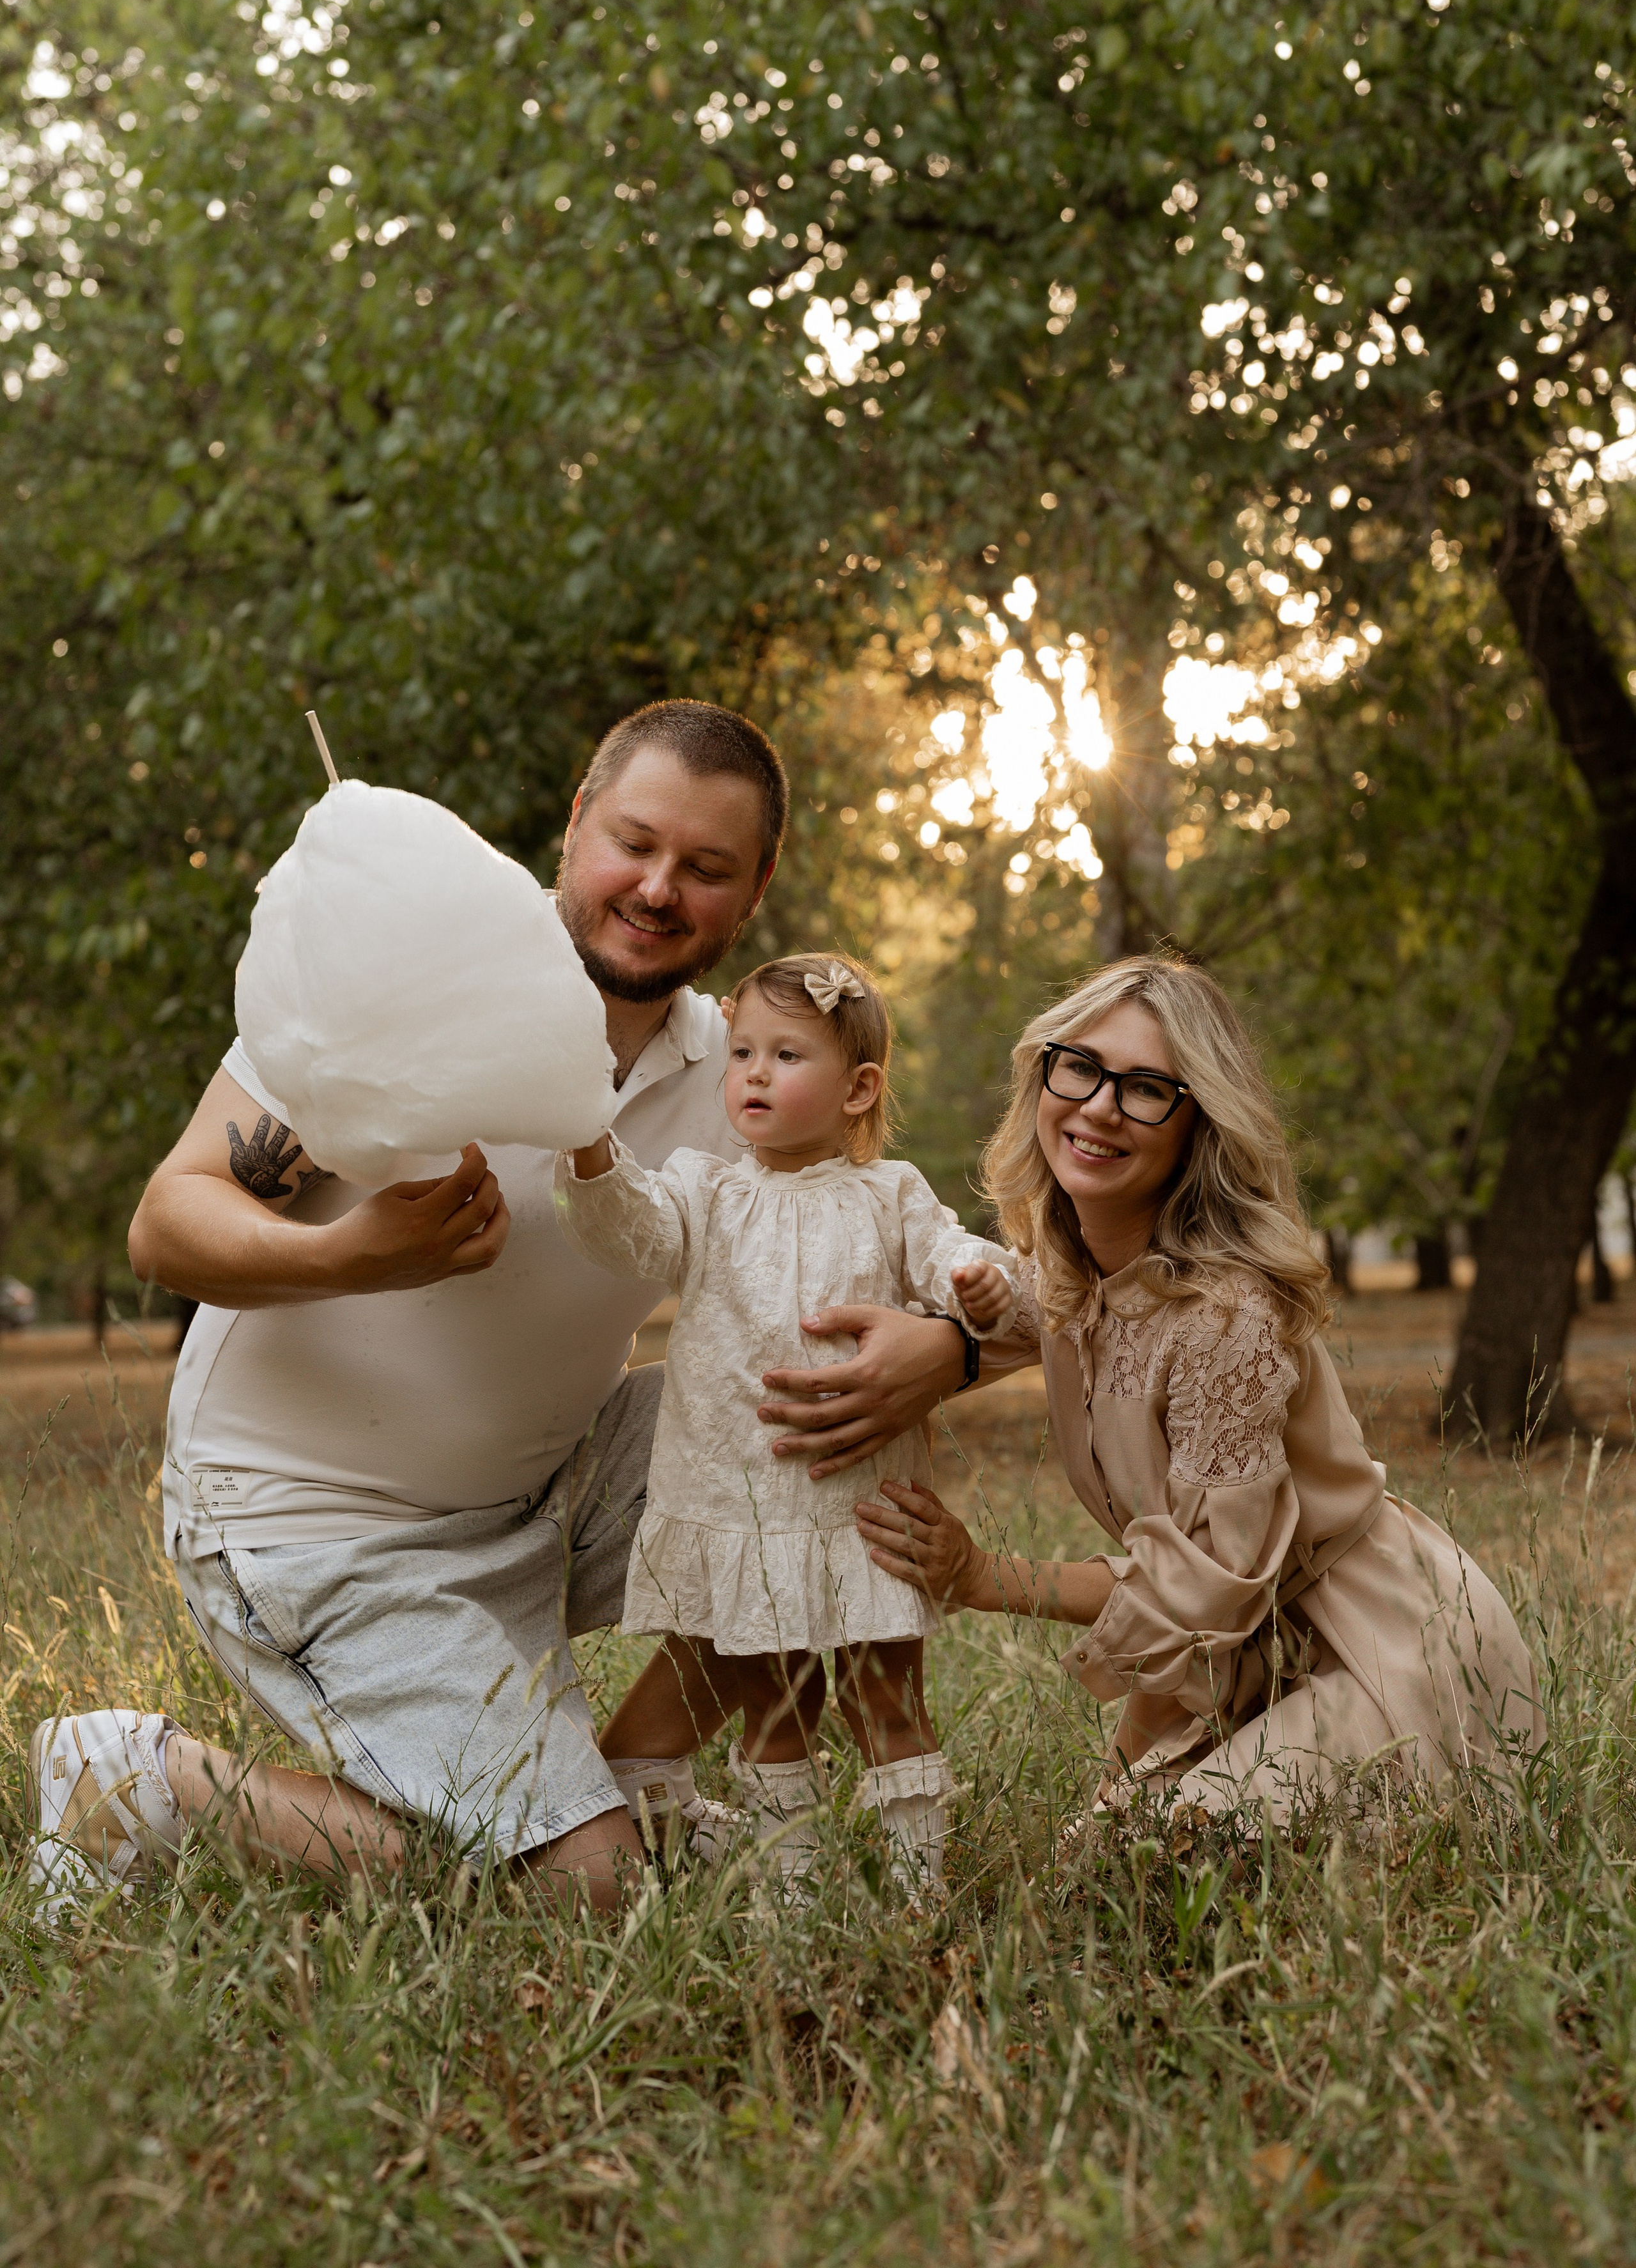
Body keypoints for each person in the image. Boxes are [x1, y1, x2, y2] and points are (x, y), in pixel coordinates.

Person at [29, 704, 982, 1918]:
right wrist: (356, 1257)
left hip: (550, 1498)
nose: (656, 888)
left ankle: (641, 1769)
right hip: (315, 1525)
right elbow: (167, 1221)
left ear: (754, 891)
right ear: (576, 826)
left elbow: (930, 1273)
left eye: (705, 868)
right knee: (587, 1893)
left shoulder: (745, 1074)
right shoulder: (405, 979)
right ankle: (137, 1780)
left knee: (832, 1419)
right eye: (633, 843)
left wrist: (940, 1352)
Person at [855, 956, 1544, 1824]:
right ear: (1044, 1078)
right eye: (1082, 1066)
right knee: (1117, 1858)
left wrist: (980, 1573)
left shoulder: (1228, 1316)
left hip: (1389, 1646)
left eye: (1148, 1088)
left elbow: (1203, 1592)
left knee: (1178, 1855)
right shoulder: (1073, 1275)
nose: (1101, 1105)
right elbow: (999, 1319)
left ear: (1198, 1126)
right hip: (1244, 1658)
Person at [557, 953, 1016, 1895]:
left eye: (787, 1055)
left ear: (859, 1089)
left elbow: (948, 1257)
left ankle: (916, 1884)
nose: (755, 1074)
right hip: (746, 1508)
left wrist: (977, 1279)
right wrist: (595, 1155)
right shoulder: (707, 1190)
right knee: (775, 1702)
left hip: (865, 1508)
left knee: (887, 1695)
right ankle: (794, 1895)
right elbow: (634, 1232)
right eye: (743, 1053)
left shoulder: (890, 1194)